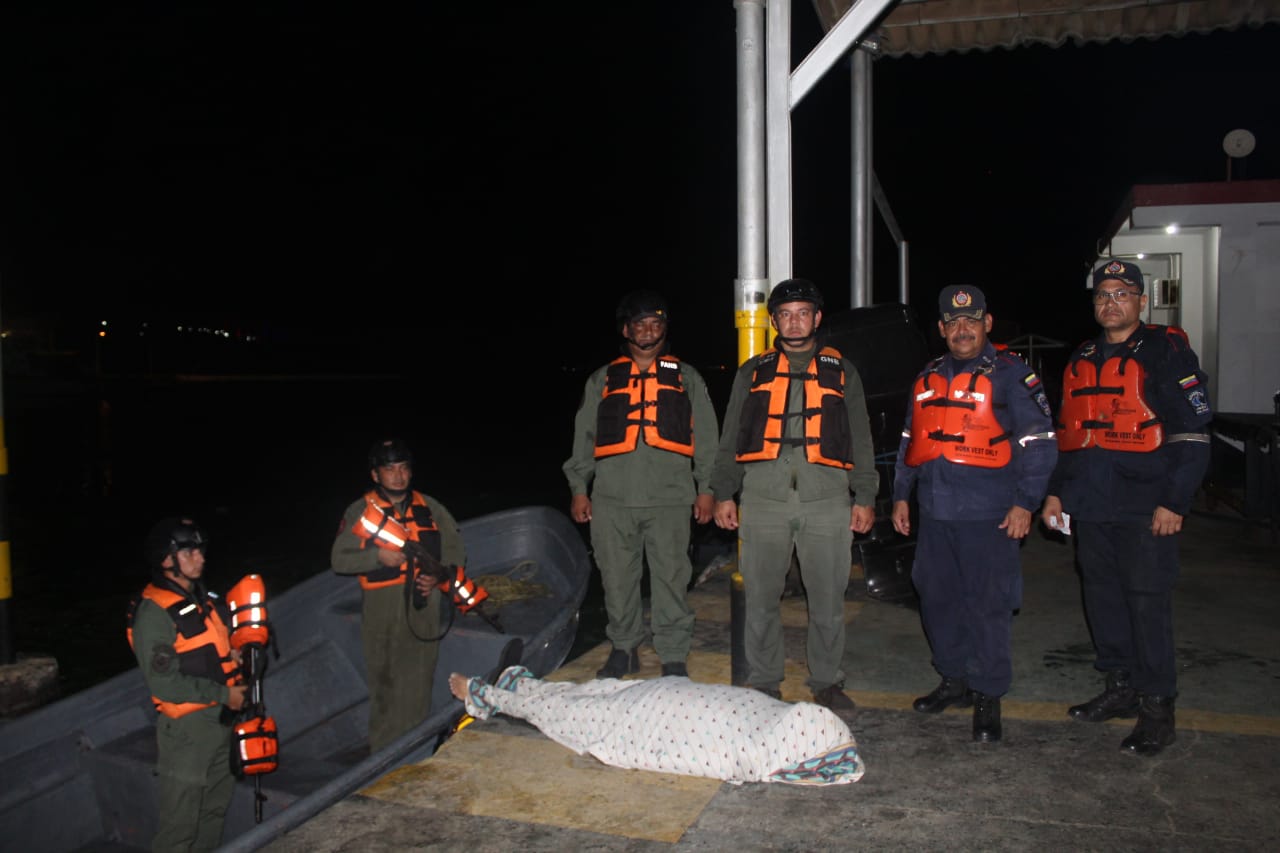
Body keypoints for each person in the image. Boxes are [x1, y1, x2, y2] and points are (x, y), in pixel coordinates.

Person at [1041, 259, 1212, 756]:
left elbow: (1191, 433)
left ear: (1141, 300)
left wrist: (1174, 501)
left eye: (1121, 293)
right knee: (1103, 601)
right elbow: (1069, 435)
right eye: (1102, 295)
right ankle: (1119, 688)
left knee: (1147, 604)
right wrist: (1055, 493)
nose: (1110, 302)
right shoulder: (1083, 355)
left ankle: (1157, 707)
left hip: (1145, 507)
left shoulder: (1165, 352)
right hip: (1092, 506)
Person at [891, 285, 1058, 743]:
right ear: (942, 329)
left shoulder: (1012, 376)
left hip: (991, 514)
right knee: (937, 599)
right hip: (936, 512)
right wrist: (901, 495)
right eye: (952, 322)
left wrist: (1026, 502)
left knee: (988, 605)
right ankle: (955, 678)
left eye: (971, 320)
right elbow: (910, 441)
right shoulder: (926, 377)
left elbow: (1039, 444)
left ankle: (987, 693)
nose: (962, 330)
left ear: (987, 323)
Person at [709, 278, 877, 718]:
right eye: (785, 314)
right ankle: (764, 680)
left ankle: (827, 681)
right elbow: (729, 438)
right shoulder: (752, 372)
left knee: (827, 599)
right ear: (774, 321)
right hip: (763, 498)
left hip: (828, 500)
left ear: (817, 318)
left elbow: (861, 437)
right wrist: (723, 492)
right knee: (762, 597)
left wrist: (865, 495)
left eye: (803, 312)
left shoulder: (843, 371)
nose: (795, 321)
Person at [563, 290, 720, 679]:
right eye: (640, 323)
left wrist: (707, 489)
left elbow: (708, 440)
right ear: (626, 329)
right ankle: (624, 647)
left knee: (671, 578)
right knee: (616, 579)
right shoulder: (602, 379)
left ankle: (672, 654)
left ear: (664, 329)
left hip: (671, 499)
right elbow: (583, 437)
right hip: (612, 501)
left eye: (656, 323)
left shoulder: (687, 378)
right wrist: (579, 488)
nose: (649, 330)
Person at [447, 667, 865, 786]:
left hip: (657, 705)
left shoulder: (767, 724)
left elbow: (741, 760)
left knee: (577, 701)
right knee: (571, 709)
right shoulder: (765, 733)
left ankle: (502, 689)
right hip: (660, 706)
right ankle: (494, 691)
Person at [331, 438, 467, 752]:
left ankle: (415, 753)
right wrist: (376, 557)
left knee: (419, 683)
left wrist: (438, 576)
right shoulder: (360, 510)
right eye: (389, 469)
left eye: (404, 468)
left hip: (425, 603)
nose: (398, 476)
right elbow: (339, 559)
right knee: (384, 686)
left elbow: (456, 550)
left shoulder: (430, 507)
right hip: (382, 607)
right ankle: (382, 754)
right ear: (376, 475)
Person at [126, 517, 248, 853]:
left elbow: (208, 649)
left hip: (220, 722)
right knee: (179, 828)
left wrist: (234, 657)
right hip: (187, 734)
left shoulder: (201, 598)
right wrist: (225, 694)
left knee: (213, 812)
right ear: (167, 560)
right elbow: (164, 684)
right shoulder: (153, 614)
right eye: (189, 552)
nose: (200, 558)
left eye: (200, 550)